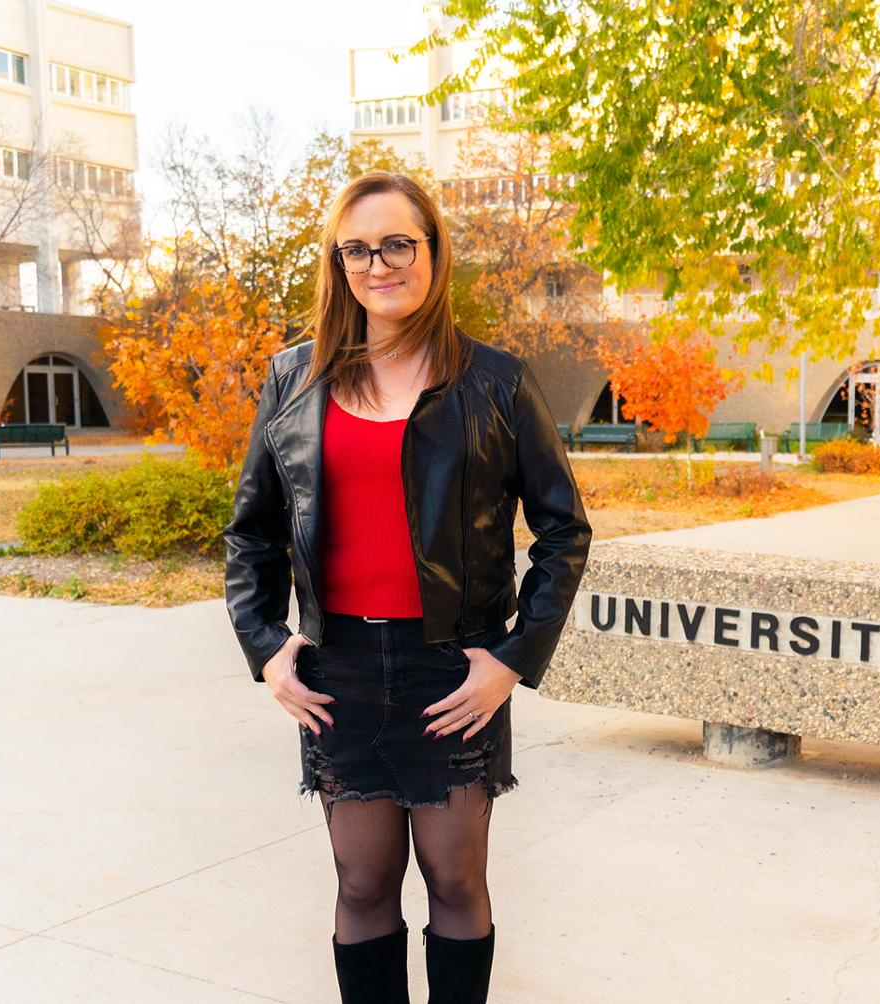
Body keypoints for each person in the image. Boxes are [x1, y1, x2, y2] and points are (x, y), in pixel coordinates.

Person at [223, 171, 592, 1003]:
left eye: (397, 244)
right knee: (361, 888)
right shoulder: (294, 379)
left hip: (451, 669)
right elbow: (252, 532)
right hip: (338, 669)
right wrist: (266, 648)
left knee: (456, 884)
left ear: (433, 253)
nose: (377, 263)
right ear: (337, 262)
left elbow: (564, 531)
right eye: (356, 248)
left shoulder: (495, 382)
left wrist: (510, 660)